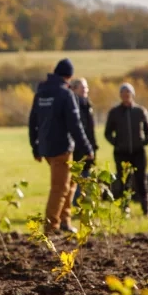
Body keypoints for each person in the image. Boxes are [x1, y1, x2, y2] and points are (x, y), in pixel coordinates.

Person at [28, 59, 93, 234]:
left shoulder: (41, 93)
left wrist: (35, 147)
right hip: (62, 149)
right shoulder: (66, 94)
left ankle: (65, 220)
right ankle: (51, 227)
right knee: (60, 188)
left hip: (46, 148)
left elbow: (33, 121)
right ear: (69, 76)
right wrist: (87, 148)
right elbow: (75, 125)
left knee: (70, 183)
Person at [104, 83, 148, 217]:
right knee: (124, 181)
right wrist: (117, 144)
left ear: (132, 95)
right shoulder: (114, 113)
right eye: (123, 93)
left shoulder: (140, 111)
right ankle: (125, 208)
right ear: (120, 95)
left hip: (138, 152)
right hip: (121, 153)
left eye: (128, 93)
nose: (126, 96)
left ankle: (146, 208)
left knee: (141, 180)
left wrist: (145, 142)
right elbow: (107, 133)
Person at [69, 78, 99, 207]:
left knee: (86, 176)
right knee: (78, 177)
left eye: (86, 88)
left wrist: (93, 146)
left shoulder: (87, 105)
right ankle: (77, 205)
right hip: (78, 148)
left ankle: (84, 205)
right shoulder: (73, 106)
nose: (85, 90)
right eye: (83, 88)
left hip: (88, 146)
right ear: (74, 89)